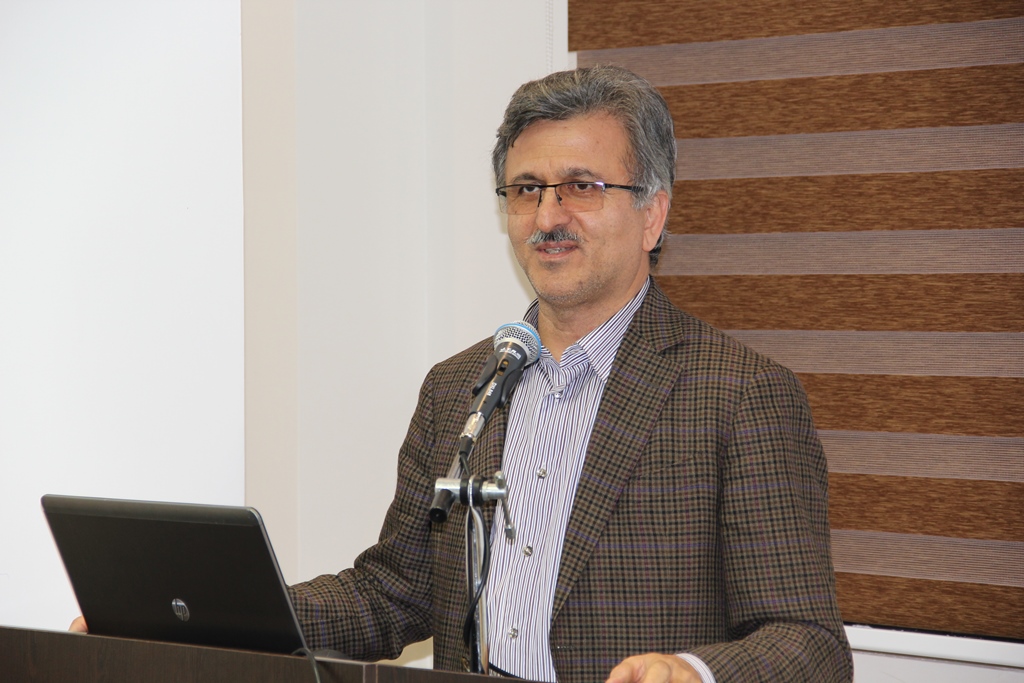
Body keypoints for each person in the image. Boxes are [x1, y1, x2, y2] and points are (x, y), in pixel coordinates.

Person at [74, 65, 852, 683]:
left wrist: (693, 671)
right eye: (526, 189)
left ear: (653, 214)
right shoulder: (461, 388)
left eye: (582, 186)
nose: (548, 216)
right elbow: (393, 591)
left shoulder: (740, 395)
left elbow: (809, 642)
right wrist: (215, 616)